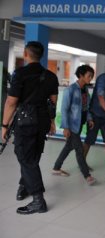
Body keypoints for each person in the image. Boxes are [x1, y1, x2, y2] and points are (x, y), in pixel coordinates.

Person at [2, 41, 59, 214]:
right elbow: (53, 102)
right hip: (42, 120)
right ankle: (24, 185)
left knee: (25, 156)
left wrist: (4, 125)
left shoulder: (20, 73)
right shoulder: (50, 76)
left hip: (26, 121)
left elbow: (11, 102)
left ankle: (38, 200)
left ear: (26, 54)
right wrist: (51, 121)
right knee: (32, 155)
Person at [52, 65, 96, 185]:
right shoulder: (70, 90)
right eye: (89, 76)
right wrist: (66, 127)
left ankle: (56, 168)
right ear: (81, 75)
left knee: (68, 147)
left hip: (79, 124)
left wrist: (89, 119)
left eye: (92, 76)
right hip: (71, 125)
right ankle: (87, 175)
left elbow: (86, 108)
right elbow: (64, 109)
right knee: (79, 149)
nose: (91, 78)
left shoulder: (85, 90)